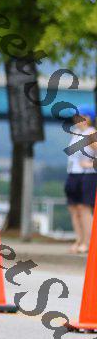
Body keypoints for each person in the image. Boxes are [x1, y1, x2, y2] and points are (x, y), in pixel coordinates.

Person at [64, 104, 97, 254]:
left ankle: (88, 242)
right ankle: (79, 239)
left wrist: (90, 164)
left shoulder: (91, 133)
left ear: (87, 118)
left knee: (84, 208)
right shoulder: (76, 133)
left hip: (88, 175)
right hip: (73, 173)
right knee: (74, 208)